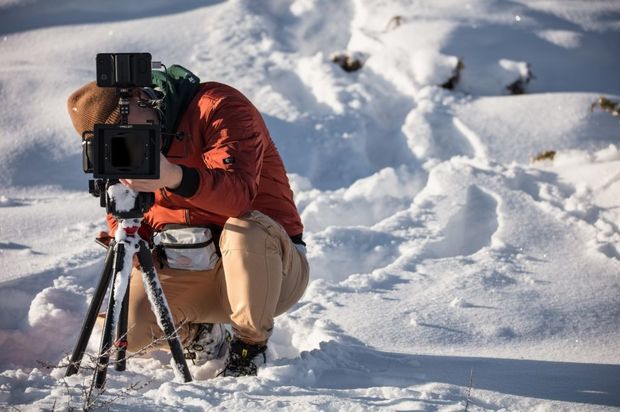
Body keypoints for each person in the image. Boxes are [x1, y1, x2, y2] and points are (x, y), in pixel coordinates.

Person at [66, 65, 309, 377]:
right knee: (121, 333)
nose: (126, 141)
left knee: (244, 229)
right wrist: (133, 239)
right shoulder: (125, 146)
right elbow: (119, 216)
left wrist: (174, 177)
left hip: (269, 270)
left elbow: (237, 196)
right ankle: (202, 337)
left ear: (142, 97)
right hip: (189, 268)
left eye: (125, 126)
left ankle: (249, 348)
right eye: (112, 138)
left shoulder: (217, 106)